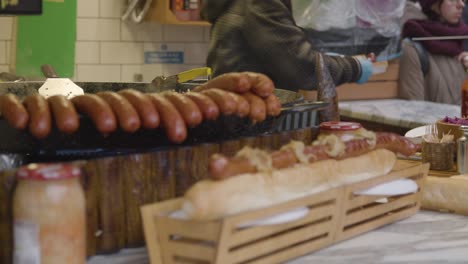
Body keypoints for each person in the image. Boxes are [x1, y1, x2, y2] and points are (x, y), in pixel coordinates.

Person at [200, 0, 374, 92]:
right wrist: (355, 67)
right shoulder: (259, 3)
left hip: (236, 115)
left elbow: (282, 49)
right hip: (251, 123)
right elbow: (303, 68)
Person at [398, 0, 468, 104]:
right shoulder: (413, 48)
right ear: (433, 4)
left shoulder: (458, 42)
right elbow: (414, 112)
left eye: (462, 0)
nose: (461, 5)